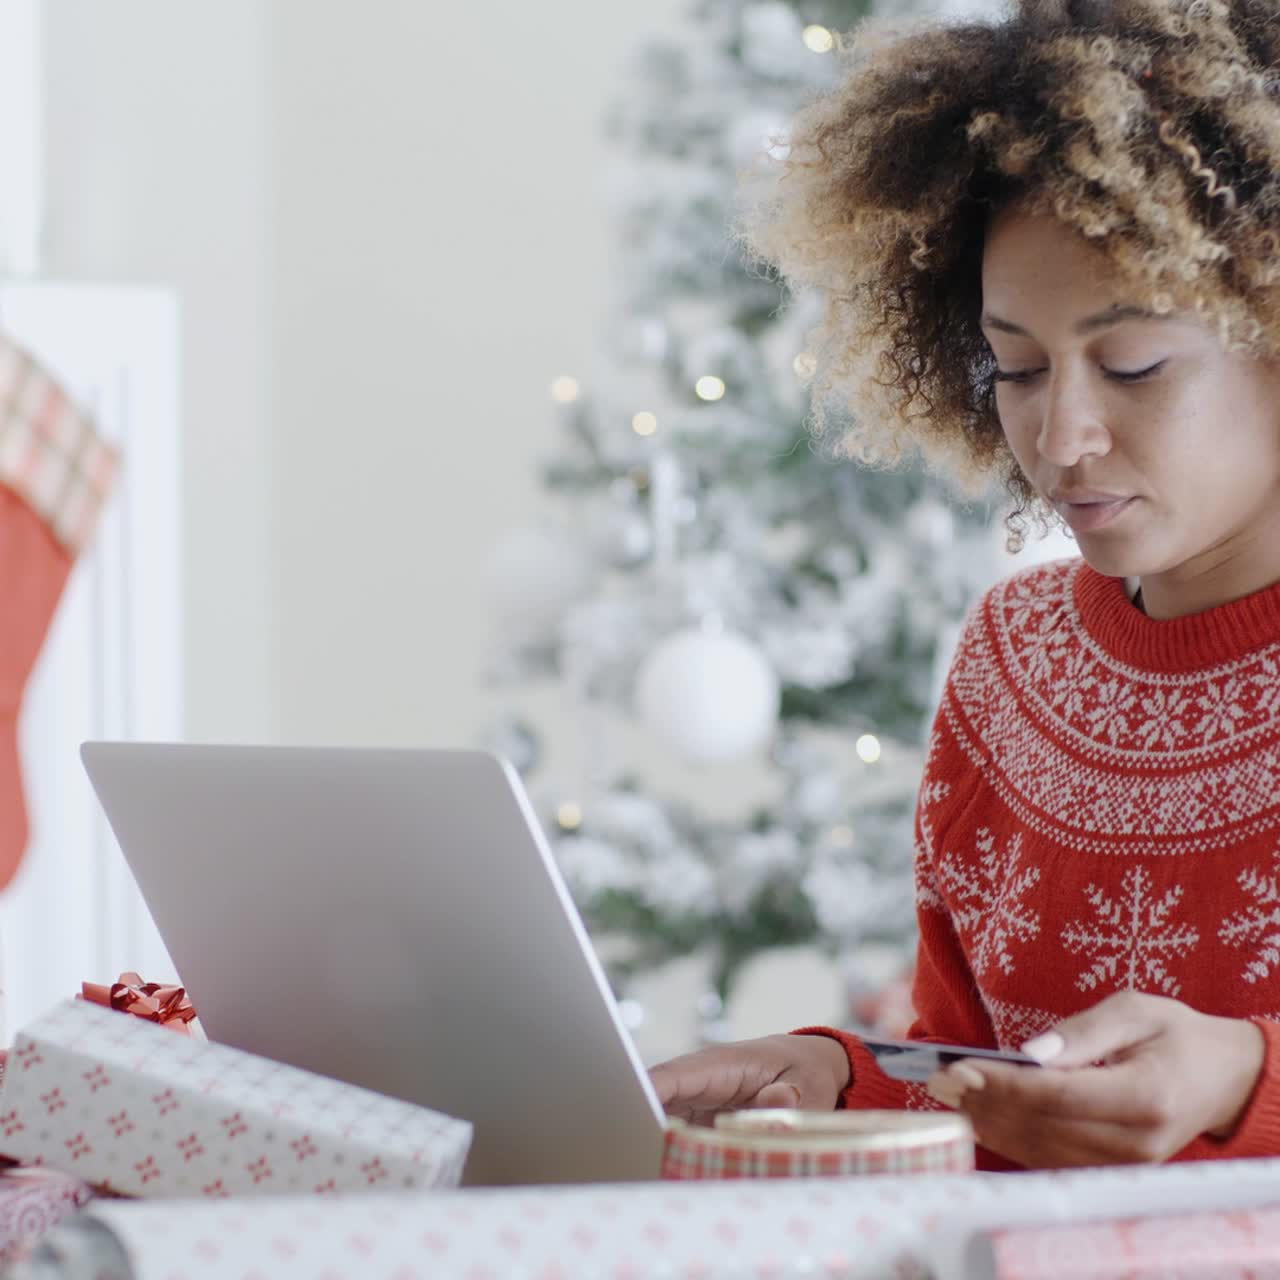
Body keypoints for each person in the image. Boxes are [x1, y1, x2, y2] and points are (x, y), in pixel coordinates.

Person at [649, 0, 1280, 1171]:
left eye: (1132, 364)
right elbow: (978, 1078)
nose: (1061, 434)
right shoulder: (1012, 660)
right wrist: (839, 1078)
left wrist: (1243, 1074)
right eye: (1017, 367)